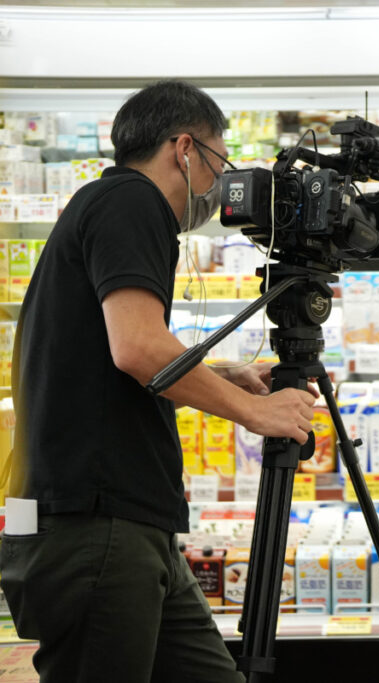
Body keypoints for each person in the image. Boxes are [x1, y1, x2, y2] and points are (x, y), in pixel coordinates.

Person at [0, 80, 317, 682]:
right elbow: (139, 348)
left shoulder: (102, 204)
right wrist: (258, 414)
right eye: (220, 161)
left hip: (119, 525)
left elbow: (103, 358)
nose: (221, 184)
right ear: (185, 149)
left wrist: (227, 374)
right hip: (97, 531)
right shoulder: (131, 202)